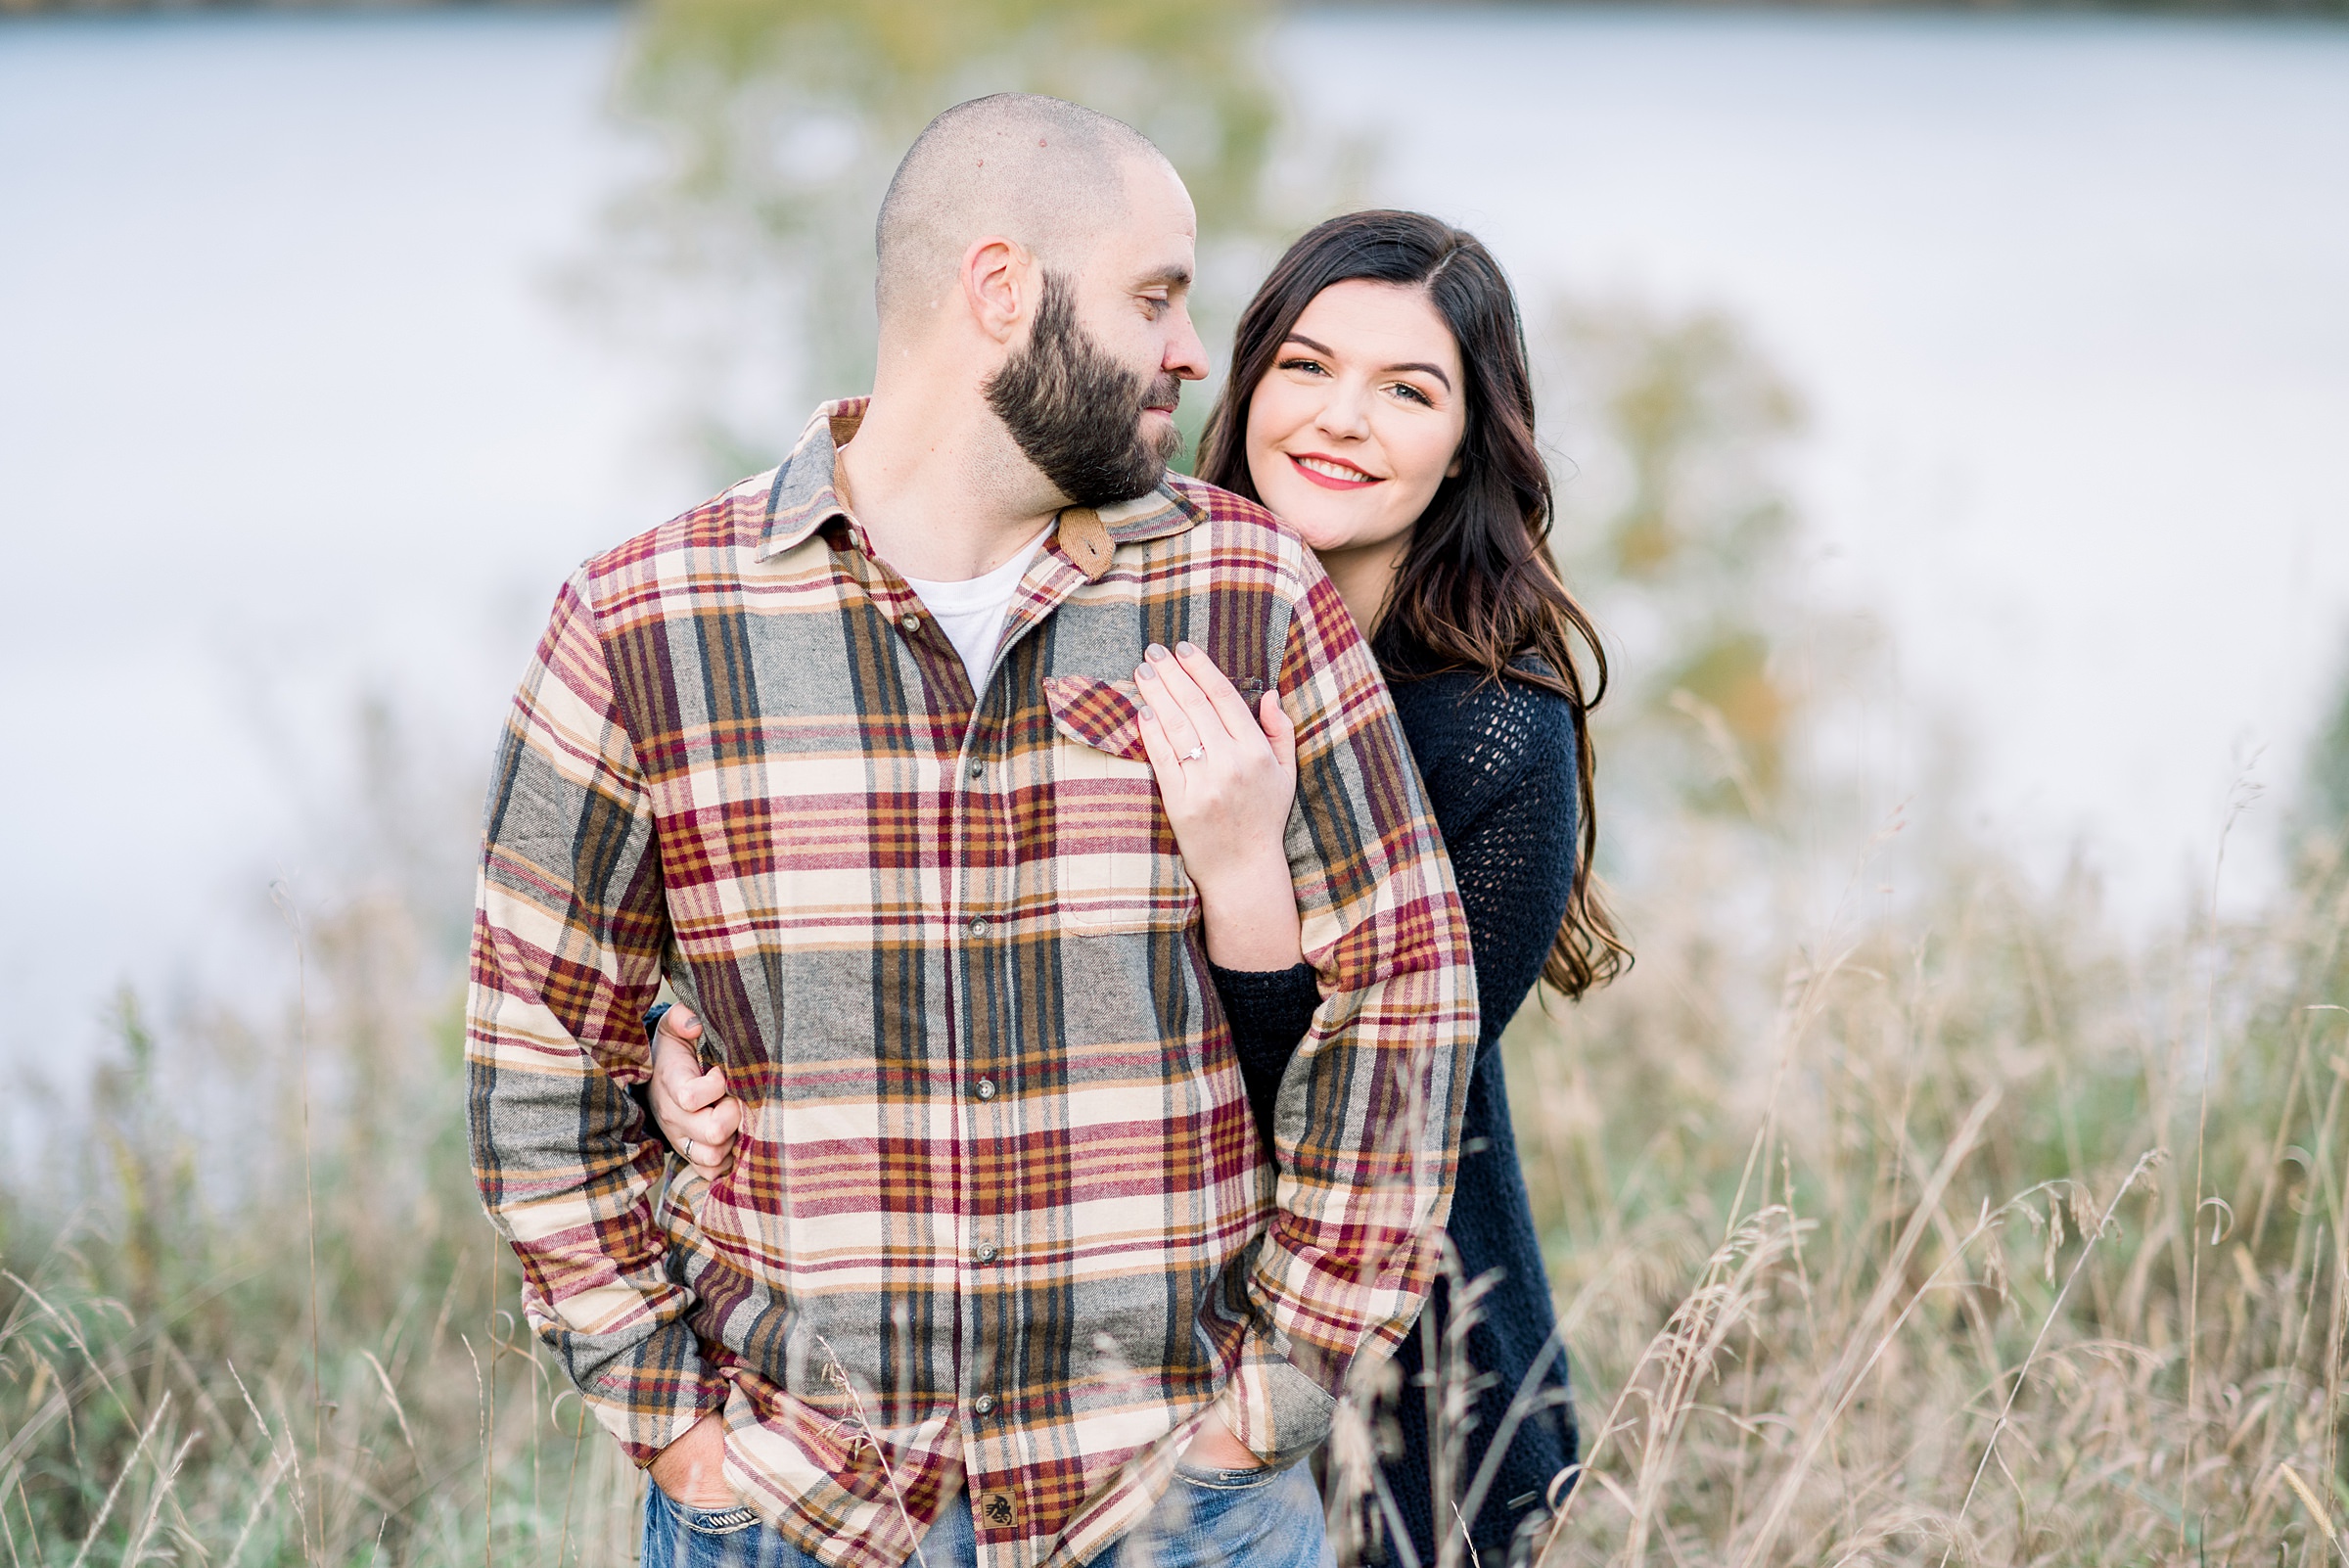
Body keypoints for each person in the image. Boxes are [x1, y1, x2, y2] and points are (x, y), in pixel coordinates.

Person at [467, 97, 1478, 1568]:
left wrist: (1268, 1400)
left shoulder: (1247, 590)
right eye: (1156, 297)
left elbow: (1405, 993)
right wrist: (683, 1428)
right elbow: (540, 1053)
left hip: (1178, 1505)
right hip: (794, 1516)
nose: (1194, 352)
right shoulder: (645, 623)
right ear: (1002, 292)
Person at [654, 209, 1625, 1567]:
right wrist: (694, 1029)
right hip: (1077, 1385)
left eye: (1407, 391)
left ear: (1471, 437)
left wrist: (1240, 868)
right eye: (1305, 365)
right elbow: (912, 891)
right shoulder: (1096, 603)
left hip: (1379, 1380)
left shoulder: (1492, 733)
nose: (1341, 419)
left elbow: (1377, 1094)